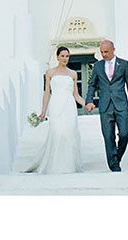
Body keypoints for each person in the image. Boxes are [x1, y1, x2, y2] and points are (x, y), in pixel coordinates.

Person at [24, 46, 87, 174]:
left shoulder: (73, 74)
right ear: (57, 57)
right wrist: (43, 111)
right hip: (56, 105)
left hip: (69, 106)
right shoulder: (50, 73)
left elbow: (76, 95)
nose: (65, 58)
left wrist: (87, 104)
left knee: (69, 134)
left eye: (67, 56)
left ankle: (68, 165)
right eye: (62, 56)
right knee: (58, 133)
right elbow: (47, 92)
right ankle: (55, 165)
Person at [85, 39, 128, 172]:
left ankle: (116, 158)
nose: (104, 54)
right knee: (108, 137)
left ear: (113, 50)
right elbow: (92, 85)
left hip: (121, 105)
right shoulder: (97, 66)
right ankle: (114, 166)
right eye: (101, 52)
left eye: (106, 52)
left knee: (124, 134)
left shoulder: (124, 64)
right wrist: (89, 100)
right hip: (105, 106)